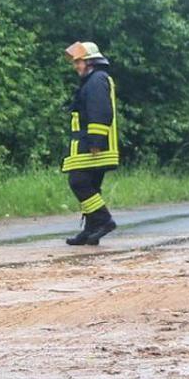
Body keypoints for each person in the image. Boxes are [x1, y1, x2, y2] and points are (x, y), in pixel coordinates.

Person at [62, 40, 119, 246]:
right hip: (89, 143)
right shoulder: (93, 80)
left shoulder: (96, 80)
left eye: (79, 62)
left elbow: (100, 111)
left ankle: (104, 220)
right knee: (91, 186)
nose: (76, 66)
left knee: (78, 182)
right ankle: (91, 228)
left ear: (90, 62)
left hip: (92, 145)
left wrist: (96, 141)